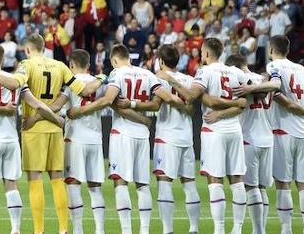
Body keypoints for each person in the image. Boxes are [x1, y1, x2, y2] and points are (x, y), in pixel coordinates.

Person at [74, 45, 185, 234]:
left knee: (121, 182)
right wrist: (141, 115)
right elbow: (157, 104)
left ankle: (126, 230)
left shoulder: (117, 74)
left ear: (114, 60)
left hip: (122, 133)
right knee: (143, 184)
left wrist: (82, 110)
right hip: (142, 135)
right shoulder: (147, 74)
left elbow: (110, 100)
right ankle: (144, 230)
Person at [0, 34, 88, 234]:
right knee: (57, 179)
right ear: (43, 47)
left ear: (27, 49)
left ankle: (39, 230)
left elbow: (15, 83)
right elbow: (82, 89)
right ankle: (63, 229)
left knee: (35, 180)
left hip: (33, 130)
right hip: (55, 129)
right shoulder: (60, 65)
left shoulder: (27, 64)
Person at [0, 44, 61, 234]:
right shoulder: (17, 80)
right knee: (12, 185)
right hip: (11, 140)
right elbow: (38, 105)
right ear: (2, 60)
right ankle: (16, 229)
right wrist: (57, 119)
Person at [159, 37, 248, 234]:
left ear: (207, 53)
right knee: (237, 179)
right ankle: (238, 229)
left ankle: (219, 229)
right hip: (234, 129)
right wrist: (230, 106)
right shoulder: (236, 73)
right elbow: (242, 104)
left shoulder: (204, 72)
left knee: (215, 180)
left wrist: (170, 79)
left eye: (201, 52)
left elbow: (192, 97)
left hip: (214, 130)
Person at [253, 35, 304, 234]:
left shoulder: (273, 67)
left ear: (271, 50)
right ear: (288, 50)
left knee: (283, 183)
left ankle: (286, 229)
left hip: (282, 131)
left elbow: (274, 94)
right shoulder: (303, 70)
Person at [151, 45, 201, 234]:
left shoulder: (158, 78)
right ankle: (194, 228)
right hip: (186, 137)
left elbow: (156, 104)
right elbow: (192, 108)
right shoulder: (189, 79)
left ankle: (167, 230)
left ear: (161, 61)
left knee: (164, 182)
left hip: (166, 136)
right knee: (189, 183)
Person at [60, 49, 109, 234]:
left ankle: (78, 230)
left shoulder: (70, 84)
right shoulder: (100, 83)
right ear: (88, 65)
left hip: (74, 139)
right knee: (95, 187)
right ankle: (100, 230)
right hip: (95, 139)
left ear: (71, 65)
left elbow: (62, 108)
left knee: (73, 185)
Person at [230, 53, 274, 234]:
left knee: (250, 187)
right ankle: (261, 229)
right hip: (268, 138)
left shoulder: (240, 81)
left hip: (249, 137)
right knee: (262, 188)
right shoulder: (265, 80)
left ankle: (258, 231)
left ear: (233, 67)